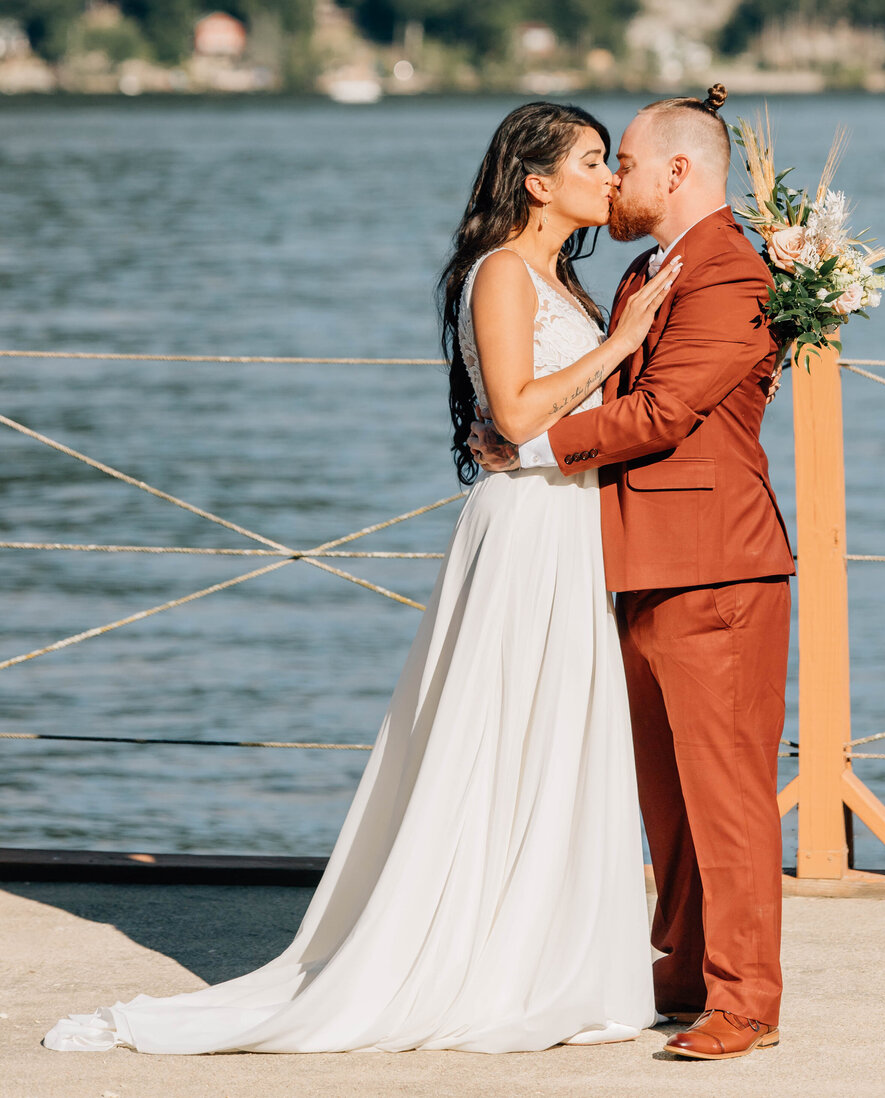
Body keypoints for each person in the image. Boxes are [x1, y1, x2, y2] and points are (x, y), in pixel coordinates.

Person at [43, 101, 678, 1056]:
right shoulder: (504, 273)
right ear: (540, 183)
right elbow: (512, 414)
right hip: (526, 529)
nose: (612, 178)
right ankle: (476, 959)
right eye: (595, 161)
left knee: (558, 734)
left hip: (570, 521)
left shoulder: (566, 282)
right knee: (502, 731)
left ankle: (550, 955)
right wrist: (624, 344)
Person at [472, 84, 795, 1061]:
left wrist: (529, 446)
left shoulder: (731, 273)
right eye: (600, 167)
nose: (615, 184)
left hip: (716, 567)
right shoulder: (656, 269)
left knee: (726, 789)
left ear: (679, 172)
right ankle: (686, 963)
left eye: (631, 165)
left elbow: (661, 413)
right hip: (636, 560)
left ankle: (745, 998)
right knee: (668, 791)